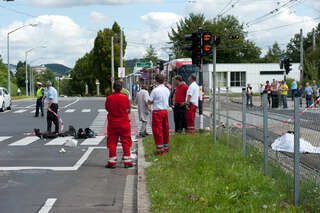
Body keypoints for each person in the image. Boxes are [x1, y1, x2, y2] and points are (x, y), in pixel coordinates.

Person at [105, 80, 132, 168]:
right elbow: (128, 109)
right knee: (126, 141)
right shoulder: (125, 97)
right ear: (121, 88)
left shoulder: (109, 98)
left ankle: (112, 162)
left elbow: (107, 108)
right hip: (124, 123)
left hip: (113, 123)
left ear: (113, 88)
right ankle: (127, 162)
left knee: (112, 142)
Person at [148, 74, 170, 155]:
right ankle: (166, 148)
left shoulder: (155, 90)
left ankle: (160, 150)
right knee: (165, 130)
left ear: (156, 81)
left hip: (157, 112)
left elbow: (150, 101)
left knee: (158, 131)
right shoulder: (167, 90)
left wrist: (150, 104)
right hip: (165, 111)